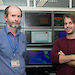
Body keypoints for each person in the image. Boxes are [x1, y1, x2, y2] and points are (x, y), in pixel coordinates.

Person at [0, 5, 27, 75]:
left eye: (19, 16)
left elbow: (22, 57)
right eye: (13, 16)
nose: (16, 19)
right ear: (5, 17)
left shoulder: (22, 37)